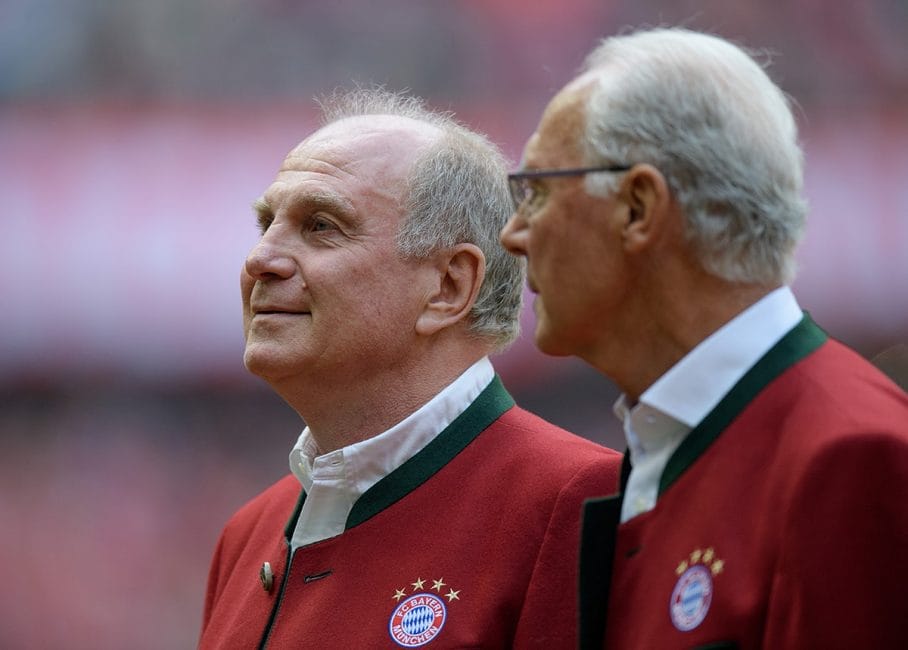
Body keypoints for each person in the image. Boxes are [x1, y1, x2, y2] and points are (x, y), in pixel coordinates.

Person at [499, 27, 908, 650]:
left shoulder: (848, 457)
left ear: (638, 207)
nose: (514, 232)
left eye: (538, 192)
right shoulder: (670, 443)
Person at [198, 88, 622, 649]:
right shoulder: (247, 533)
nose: (260, 259)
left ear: (449, 286)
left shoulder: (577, 503)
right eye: (266, 224)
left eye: (321, 225)